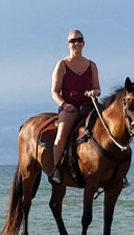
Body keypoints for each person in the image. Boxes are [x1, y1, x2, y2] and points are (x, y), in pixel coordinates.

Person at [49, 29, 100, 184]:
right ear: (68, 44)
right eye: (72, 41)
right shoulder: (62, 64)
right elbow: (54, 92)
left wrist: (94, 92)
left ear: (83, 43)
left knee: (110, 126)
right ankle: (56, 169)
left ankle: (115, 171)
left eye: (79, 40)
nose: (76, 43)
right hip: (69, 107)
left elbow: (97, 88)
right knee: (61, 135)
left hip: (88, 106)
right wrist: (64, 105)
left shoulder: (92, 65)